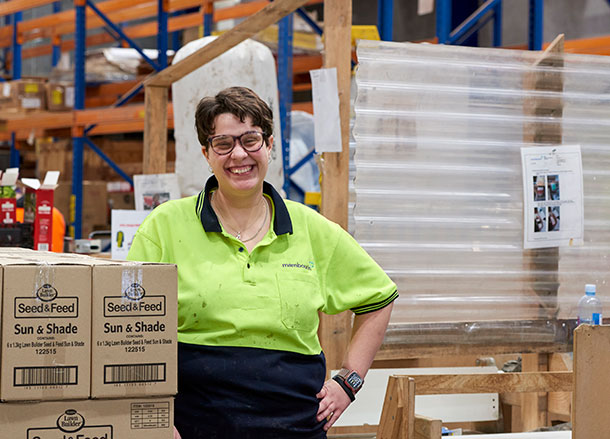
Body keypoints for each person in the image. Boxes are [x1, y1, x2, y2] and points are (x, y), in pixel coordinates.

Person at [127, 86, 398, 439]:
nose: (239, 154)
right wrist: (153, 415)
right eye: (223, 143)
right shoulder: (164, 226)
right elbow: (127, 323)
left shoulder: (311, 230)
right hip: (193, 425)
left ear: (269, 146)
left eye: (251, 140)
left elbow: (379, 299)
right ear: (207, 154)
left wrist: (348, 382)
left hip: (294, 426)